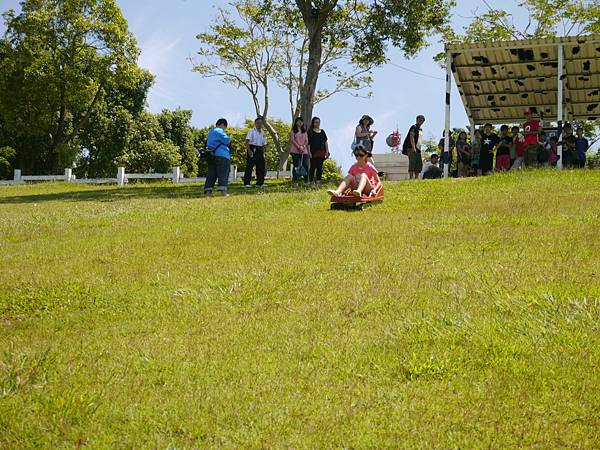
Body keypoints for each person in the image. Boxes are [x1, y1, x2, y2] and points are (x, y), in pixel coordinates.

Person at [204, 118, 231, 197]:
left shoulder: (210, 132)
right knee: (223, 173)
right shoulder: (219, 130)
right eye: (225, 127)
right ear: (222, 124)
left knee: (211, 174)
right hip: (222, 155)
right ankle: (223, 192)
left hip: (212, 156)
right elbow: (227, 141)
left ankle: (208, 192)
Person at [243, 117, 267, 188]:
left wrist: (264, 153)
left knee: (261, 166)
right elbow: (247, 142)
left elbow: (264, 144)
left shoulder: (263, 132)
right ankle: (247, 183)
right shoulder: (252, 131)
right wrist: (249, 151)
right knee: (249, 166)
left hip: (260, 149)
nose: (259, 125)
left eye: (261, 123)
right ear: (255, 123)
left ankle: (260, 183)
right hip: (252, 148)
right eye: (258, 123)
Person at [308, 117, 329, 185]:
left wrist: (327, 151)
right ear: (313, 123)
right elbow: (308, 144)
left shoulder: (322, 131)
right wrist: (309, 152)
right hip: (313, 152)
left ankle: (318, 181)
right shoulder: (310, 131)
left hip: (322, 152)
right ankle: (311, 181)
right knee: (313, 167)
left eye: (318, 122)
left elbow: (325, 142)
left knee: (320, 167)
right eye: (316, 122)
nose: (318, 123)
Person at [403, 115, 425, 179]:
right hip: (411, 147)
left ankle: (417, 178)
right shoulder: (414, 127)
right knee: (412, 162)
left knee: (419, 163)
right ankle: (411, 178)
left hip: (418, 148)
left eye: (422, 120)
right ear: (417, 120)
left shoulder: (420, 129)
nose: (421, 121)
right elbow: (411, 136)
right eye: (420, 120)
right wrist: (413, 147)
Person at [290, 117, 309, 184]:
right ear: (296, 122)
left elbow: (307, 141)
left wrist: (303, 147)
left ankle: (306, 181)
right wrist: (298, 147)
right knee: (296, 165)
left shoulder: (305, 131)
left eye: (301, 121)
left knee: (306, 165)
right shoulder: (293, 131)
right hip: (295, 151)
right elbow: (292, 140)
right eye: (298, 121)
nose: (300, 123)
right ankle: (295, 181)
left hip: (304, 151)